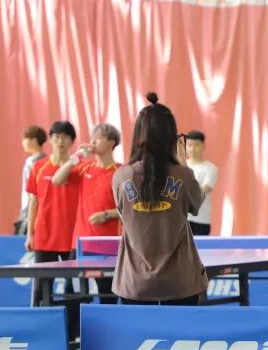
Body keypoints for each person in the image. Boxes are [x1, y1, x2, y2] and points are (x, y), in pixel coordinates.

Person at [111, 93, 207, 306]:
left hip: (134, 282)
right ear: (172, 137)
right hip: (180, 282)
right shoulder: (183, 175)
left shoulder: (121, 176)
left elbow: (123, 214)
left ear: (137, 135)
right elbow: (196, 204)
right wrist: (183, 164)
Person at [26, 121, 83, 337]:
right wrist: (29, 234)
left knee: (72, 288)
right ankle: (38, 331)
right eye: (56, 136)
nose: (60, 141)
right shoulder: (38, 167)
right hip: (45, 236)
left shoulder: (80, 168)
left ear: (72, 141)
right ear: (50, 140)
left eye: (65, 137)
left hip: (72, 238)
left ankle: (72, 334)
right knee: (41, 287)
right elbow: (33, 202)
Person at [54, 122, 122, 303]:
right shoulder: (85, 167)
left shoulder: (121, 171)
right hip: (81, 243)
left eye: (98, 138)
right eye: (92, 138)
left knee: (107, 294)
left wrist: (107, 214)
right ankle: (76, 323)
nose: (92, 142)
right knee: (73, 293)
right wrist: (76, 157)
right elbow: (57, 180)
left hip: (108, 244)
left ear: (111, 142)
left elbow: (132, 209)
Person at [184, 130, 218, 236]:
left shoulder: (210, 168)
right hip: (182, 219)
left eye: (196, 145)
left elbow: (204, 189)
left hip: (201, 219)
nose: (192, 149)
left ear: (203, 146)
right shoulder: (180, 167)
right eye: (190, 145)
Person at [16, 125, 47, 235]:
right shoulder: (47, 160)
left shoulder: (32, 163)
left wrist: (27, 212)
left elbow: (31, 191)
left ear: (34, 140)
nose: (23, 142)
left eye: (25, 139)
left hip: (31, 209)